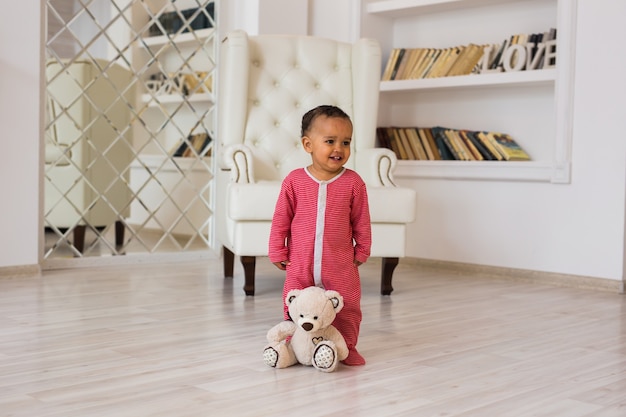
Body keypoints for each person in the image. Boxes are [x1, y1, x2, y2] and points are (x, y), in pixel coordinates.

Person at [268, 104, 372, 366]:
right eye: (330, 141)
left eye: (345, 142)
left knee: (347, 305)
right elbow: (281, 218)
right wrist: (277, 249)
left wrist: (362, 249)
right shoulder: (294, 181)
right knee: (294, 303)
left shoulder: (353, 183)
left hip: (340, 262)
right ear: (308, 144)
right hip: (299, 261)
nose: (339, 148)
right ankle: (293, 345)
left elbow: (361, 220)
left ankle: (346, 346)